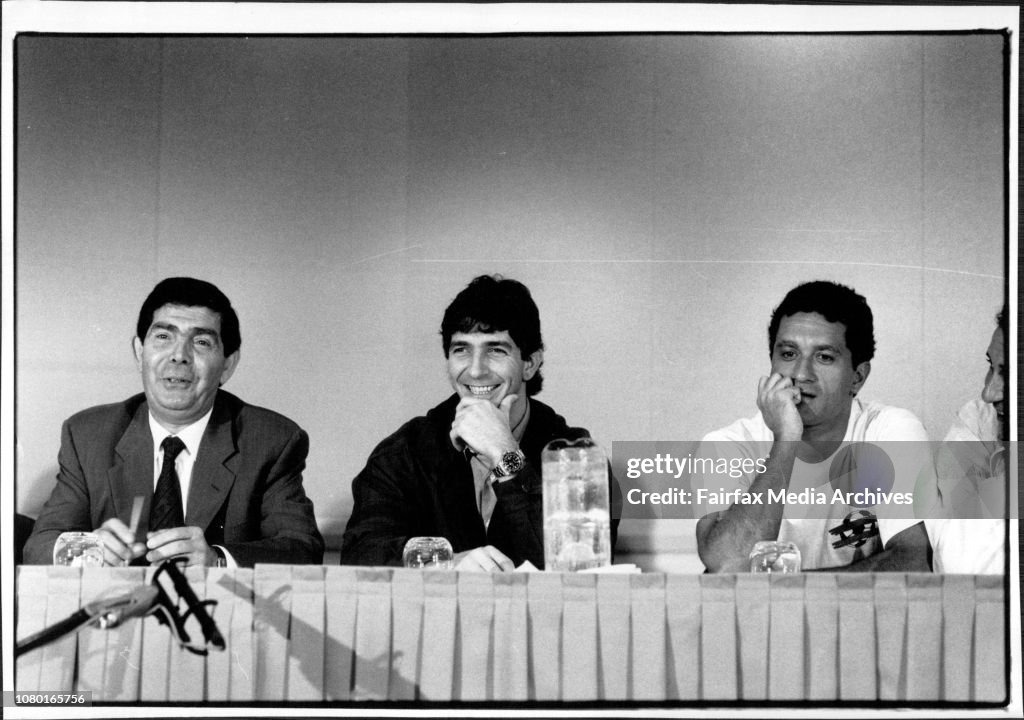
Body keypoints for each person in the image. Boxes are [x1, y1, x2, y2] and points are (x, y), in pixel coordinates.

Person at [23, 277, 324, 567]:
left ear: (228, 365)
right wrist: (88, 550)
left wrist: (216, 560)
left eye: (202, 342)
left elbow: (301, 549)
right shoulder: (88, 435)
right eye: (164, 337)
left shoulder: (271, 440)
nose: (179, 356)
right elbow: (39, 546)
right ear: (140, 352)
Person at [341, 274, 618, 571]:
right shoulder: (404, 451)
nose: (475, 371)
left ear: (529, 363)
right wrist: (446, 563)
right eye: (461, 350)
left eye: (495, 350)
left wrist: (505, 454)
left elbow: (574, 567)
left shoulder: (578, 458)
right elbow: (361, 554)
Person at [695, 280, 934, 572]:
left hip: (854, 617)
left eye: (824, 357)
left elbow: (912, 561)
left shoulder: (890, 431)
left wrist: (791, 593)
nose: (801, 373)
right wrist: (786, 440)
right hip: (755, 618)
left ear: (857, 377)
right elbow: (727, 564)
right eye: (788, 354)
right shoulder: (727, 444)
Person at [925, 305, 1008, 573]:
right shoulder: (977, 422)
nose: (989, 393)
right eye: (991, 367)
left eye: (1008, 373)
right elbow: (964, 565)